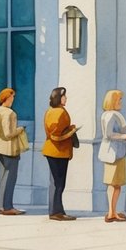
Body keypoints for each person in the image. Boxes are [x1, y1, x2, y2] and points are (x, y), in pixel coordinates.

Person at [99, 89, 126, 222]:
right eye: (119, 99)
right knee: (114, 183)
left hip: (114, 152)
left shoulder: (108, 114)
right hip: (114, 153)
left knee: (114, 184)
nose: (121, 102)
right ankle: (111, 213)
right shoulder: (111, 115)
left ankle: (112, 211)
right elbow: (108, 135)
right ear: (113, 101)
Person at [42, 87, 78, 221]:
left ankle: (57, 210)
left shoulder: (50, 111)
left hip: (53, 150)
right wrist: (71, 131)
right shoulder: (59, 112)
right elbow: (55, 135)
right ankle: (56, 212)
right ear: (58, 98)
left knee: (56, 183)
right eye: (64, 96)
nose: (66, 98)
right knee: (59, 183)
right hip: (58, 151)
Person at [0, 88, 27, 215]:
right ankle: (7, 207)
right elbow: (8, 133)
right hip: (9, 149)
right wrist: (20, 129)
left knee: (3, 178)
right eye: (12, 97)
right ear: (6, 98)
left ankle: (1, 206)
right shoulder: (9, 113)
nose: (13, 100)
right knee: (10, 178)